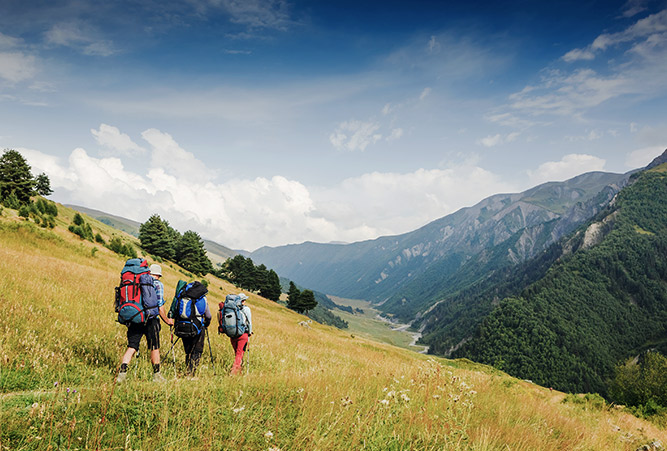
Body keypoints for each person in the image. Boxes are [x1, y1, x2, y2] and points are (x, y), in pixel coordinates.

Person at [116, 263, 173, 382]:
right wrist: (167, 321)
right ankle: (157, 375)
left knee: (132, 346)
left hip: (136, 317)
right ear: (158, 275)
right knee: (154, 347)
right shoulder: (157, 284)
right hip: (151, 320)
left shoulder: (137, 282)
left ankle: (122, 373)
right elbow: (159, 306)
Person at [229, 293, 252, 375]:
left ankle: (239, 371)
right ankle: (234, 372)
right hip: (243, 334)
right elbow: (249, 322)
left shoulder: (232, 308)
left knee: (237, 353)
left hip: (233, 334)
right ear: (243, 301)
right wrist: (250, 332)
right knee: (239, 353)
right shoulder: (246, 309)